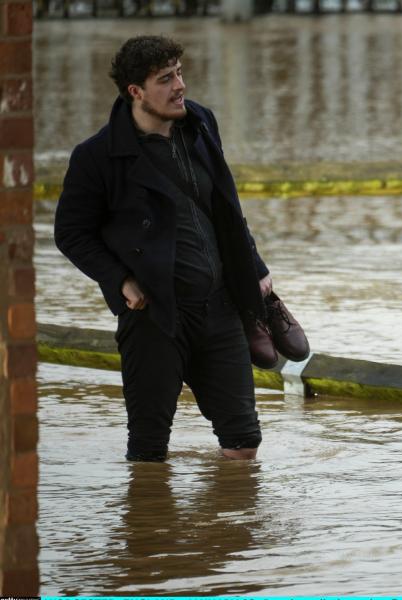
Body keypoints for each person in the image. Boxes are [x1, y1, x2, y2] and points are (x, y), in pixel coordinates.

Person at [55, 35, 276, 462]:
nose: (180, 86)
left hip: (220, 308)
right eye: (165, 78)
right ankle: (150, 528)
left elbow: (226, 208)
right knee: (149, 449)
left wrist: (255, 267)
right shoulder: (96, 156)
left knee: (244, 441)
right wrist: (120, 279)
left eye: (179, 72)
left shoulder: (202, 123)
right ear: (136, 92)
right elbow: (71, 233)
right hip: (154, 315)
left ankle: (231, 527)